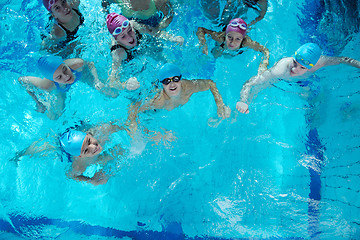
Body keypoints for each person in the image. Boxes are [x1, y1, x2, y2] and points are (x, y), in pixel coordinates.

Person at [236, 43, 360, 114]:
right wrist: (243, 100)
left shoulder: (320, 62)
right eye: (294, 62)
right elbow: (250, 83)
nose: (294, 70)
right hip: (283, 80)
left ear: (312, 66)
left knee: (315, 101)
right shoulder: (281, 69)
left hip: (304, 81)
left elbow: (343, 59)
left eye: (302, 67)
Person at [10, 123, 125, 186]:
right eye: (85, 150)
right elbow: (70, 175)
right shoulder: (79, 165)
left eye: (89, 141)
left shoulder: (102, 131)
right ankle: (19, 154)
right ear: (80, 156)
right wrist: (91, 180)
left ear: (88, 135)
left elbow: (122, 124)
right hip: (63, 148)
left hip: (76, 128)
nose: (93, 147)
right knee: (46, 146)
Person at [127, 63, 231, 131]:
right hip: (152, 111)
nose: (172, 84)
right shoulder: (157, 100)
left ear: (181, 79)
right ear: (162, 84)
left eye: (175, 79)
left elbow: (210, 83)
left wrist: (220, 105)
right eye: (167, 81)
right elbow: (132, 109)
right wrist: (141, 133)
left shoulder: (189, 87)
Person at [18, 55, 116, 120]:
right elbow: (22, 80)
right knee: (56, 117)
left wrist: (96, 80)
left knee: (111, 92)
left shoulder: (77, 64)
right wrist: (38, 102)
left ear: (65, 64)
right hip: (60, 89)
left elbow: (90, 64)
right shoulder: (47, 85)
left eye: (65, 69)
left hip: (80, 76)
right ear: (53, 79)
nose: (66, 76)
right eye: (59, 77)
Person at [105, 13, 182, 88]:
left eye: (129, 31)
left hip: (142, 47)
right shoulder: (118, 53)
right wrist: (125, 85)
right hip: (128, 60)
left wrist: (171, 38)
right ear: (117, 40)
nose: (129, 37)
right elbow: (112, 82)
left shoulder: (135, 26)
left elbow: (156, 32)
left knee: (160, 54)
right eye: (123, 36)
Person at [196, 18, 269, 74]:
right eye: (229, 37)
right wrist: (203, 44)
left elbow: (265, 50)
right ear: (225, 35)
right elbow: (201, 29)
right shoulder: (220, 38)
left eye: (238, 39)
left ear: (242, 39)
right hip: (222, 47)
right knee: (215, 54)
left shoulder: (246, 43)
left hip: (237, 52)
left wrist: (264, 64)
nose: (232, 42)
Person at [102, 0, 174, 31]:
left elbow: (169, 14)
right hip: (126, 26)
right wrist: (107, 17)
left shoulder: (157, 1)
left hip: (152, 25)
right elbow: (105, 2)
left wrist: (160, 27)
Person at [200, 0, 268, 27]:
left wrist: (248, 25)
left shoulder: (262, 1)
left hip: (245, 6)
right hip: (239, 3)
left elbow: (261, 15)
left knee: (234, 24)